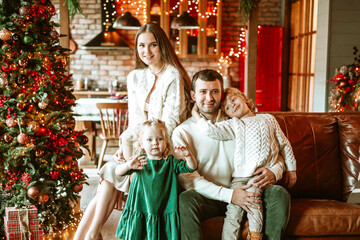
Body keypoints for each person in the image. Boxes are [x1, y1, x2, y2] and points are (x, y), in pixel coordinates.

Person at [74, 22, 192, 240]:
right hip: (142, 144)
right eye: (141, 46)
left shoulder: (172, 75)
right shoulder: (135, 77)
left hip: (161, 148)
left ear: (162, 46)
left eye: (153, 45)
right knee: (111, 172)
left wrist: (145, 146)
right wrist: (126, 146)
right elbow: (136, 121)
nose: (146, 51)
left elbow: (170, 121)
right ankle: (91, 234)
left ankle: (90, 235)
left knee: (109, 176)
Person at [171, 69, 291, 240]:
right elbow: (189, 180)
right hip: (210, 198)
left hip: (248, 189)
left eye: (215, 91)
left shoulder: (240, 122)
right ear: (193, 95)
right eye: (203, 92)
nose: (209, 98)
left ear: (222, 93)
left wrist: (274, 171)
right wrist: (231, 195)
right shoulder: (182, 132)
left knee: (279, 193)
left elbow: (271, 151)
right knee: (186, 198)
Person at [114, 119, 197, 239]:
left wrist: (189, 156)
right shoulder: (139, 161)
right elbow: (118, 172)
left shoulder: (170, 162)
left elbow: (191, 167)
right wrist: (128, 165)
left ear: (166, 143)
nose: (155, 143)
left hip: (164, 207)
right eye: (149, 140)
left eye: (160, 139)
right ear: (141, 143)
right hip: (141, 206)